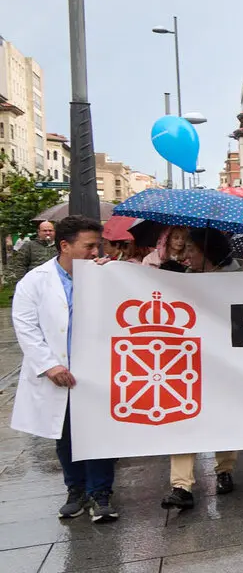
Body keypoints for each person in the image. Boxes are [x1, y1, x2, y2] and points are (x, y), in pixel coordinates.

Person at [10, 215, 119, 522]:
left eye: (98, 245)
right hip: (60, 372)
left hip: (98, 370)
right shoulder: (34, 281)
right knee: (66, 434)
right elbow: (25, 326)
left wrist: (113, 275)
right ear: (65, 246)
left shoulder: (102, 275)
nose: (95, 252)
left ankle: (102, 494)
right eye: (89, 246)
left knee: (99, 433)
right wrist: (49, 366)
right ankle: (76, 491)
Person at [161, 230, 242, 510]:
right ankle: (181, 485)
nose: (186, 256)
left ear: (209, 254)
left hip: (226, 365)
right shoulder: (183, 280)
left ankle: (225, 470)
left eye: (192, 250)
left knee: (225, 418)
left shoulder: (239, 280)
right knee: (183, 419)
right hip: (188, 364)